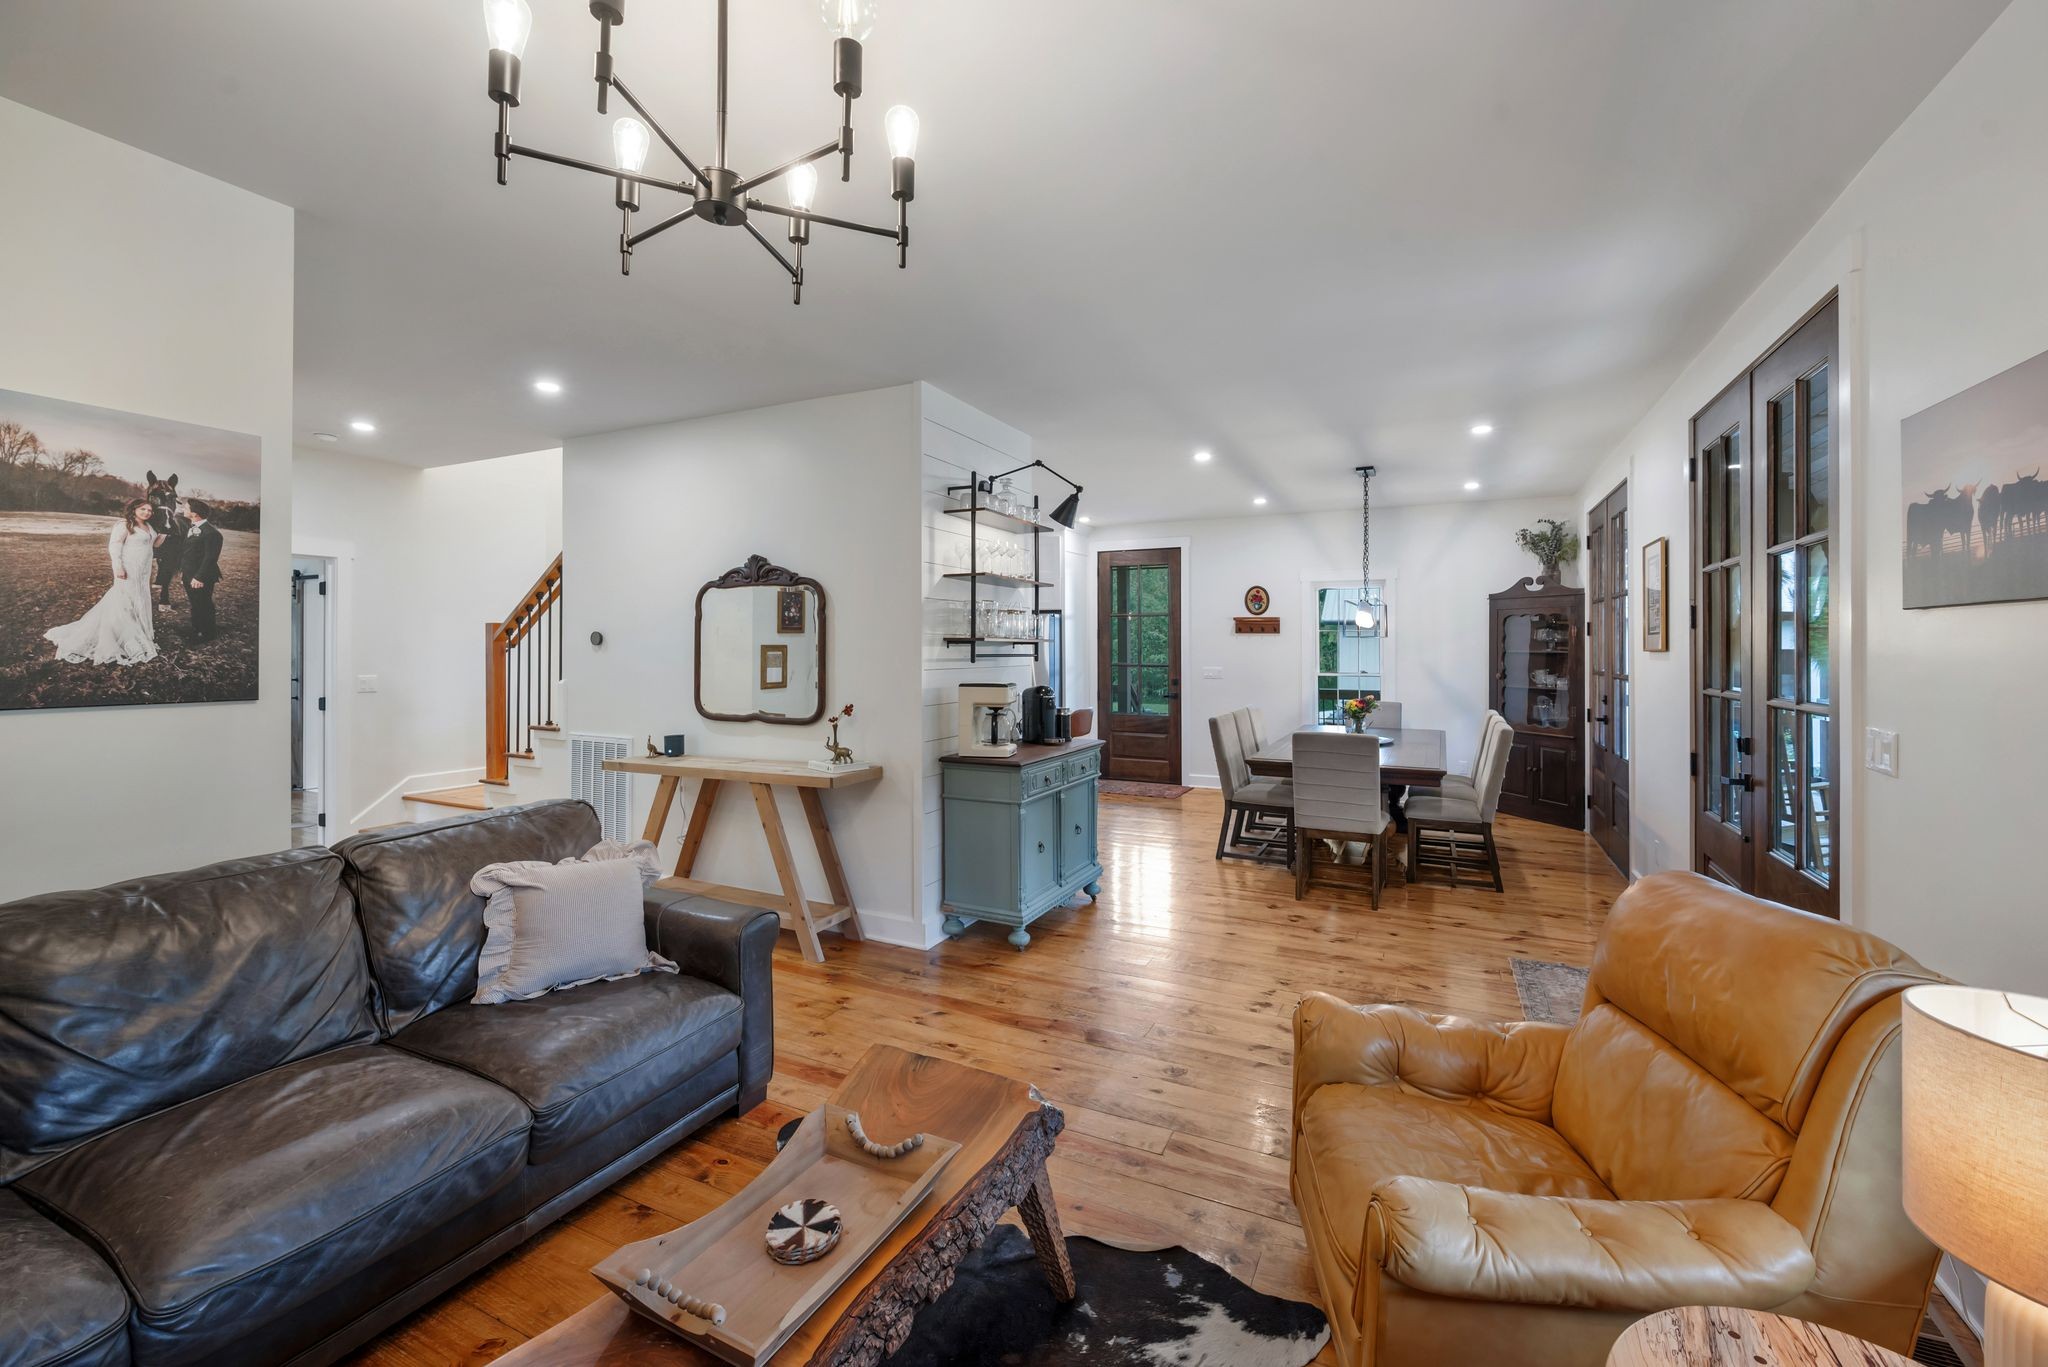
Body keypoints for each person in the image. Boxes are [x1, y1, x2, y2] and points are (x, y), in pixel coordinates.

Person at [43, 498, 163, 665]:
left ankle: (142, 630)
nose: (147, 513)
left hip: (143, 570)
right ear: (134, 509)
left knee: (140, 598)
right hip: (128, 567)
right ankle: (123, 634)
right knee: (124, 600)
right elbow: (114, 547)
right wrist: (118, 568)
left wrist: (164, 532)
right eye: (143, 509)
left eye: (149, 510)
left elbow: (154, 544)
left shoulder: (149, 526)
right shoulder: (124, 525)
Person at [180, 499, 224, 642]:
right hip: (189, 574)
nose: (183, 509)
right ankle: (197, 628)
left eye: (186, 507)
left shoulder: (212, 533)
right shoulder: (191, 527)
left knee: (204, 604)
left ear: (194, 513)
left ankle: (207, 633)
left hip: (201, 576)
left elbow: (210, 558)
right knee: (195, 603)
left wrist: (199, 577)